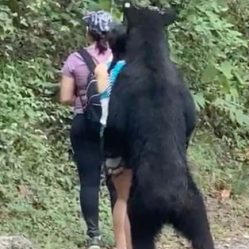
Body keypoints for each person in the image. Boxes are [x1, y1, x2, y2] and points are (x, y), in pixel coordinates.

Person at [59, 10, 114, 249]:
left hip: (84, 123)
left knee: (89, 181)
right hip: (115, 125)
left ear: (88, 32)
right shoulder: (121, 58)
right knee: (118, 182)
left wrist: (83, 99)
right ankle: (125, 235)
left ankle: (94, 237)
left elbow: (64, 98)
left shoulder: (75, 59)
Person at [94, 22, 132, 249]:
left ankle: (121, 245)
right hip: (131, 133)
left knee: (121, 196)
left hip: (108, 132)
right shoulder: (133, 70)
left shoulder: (101, 69)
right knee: (134, 198)